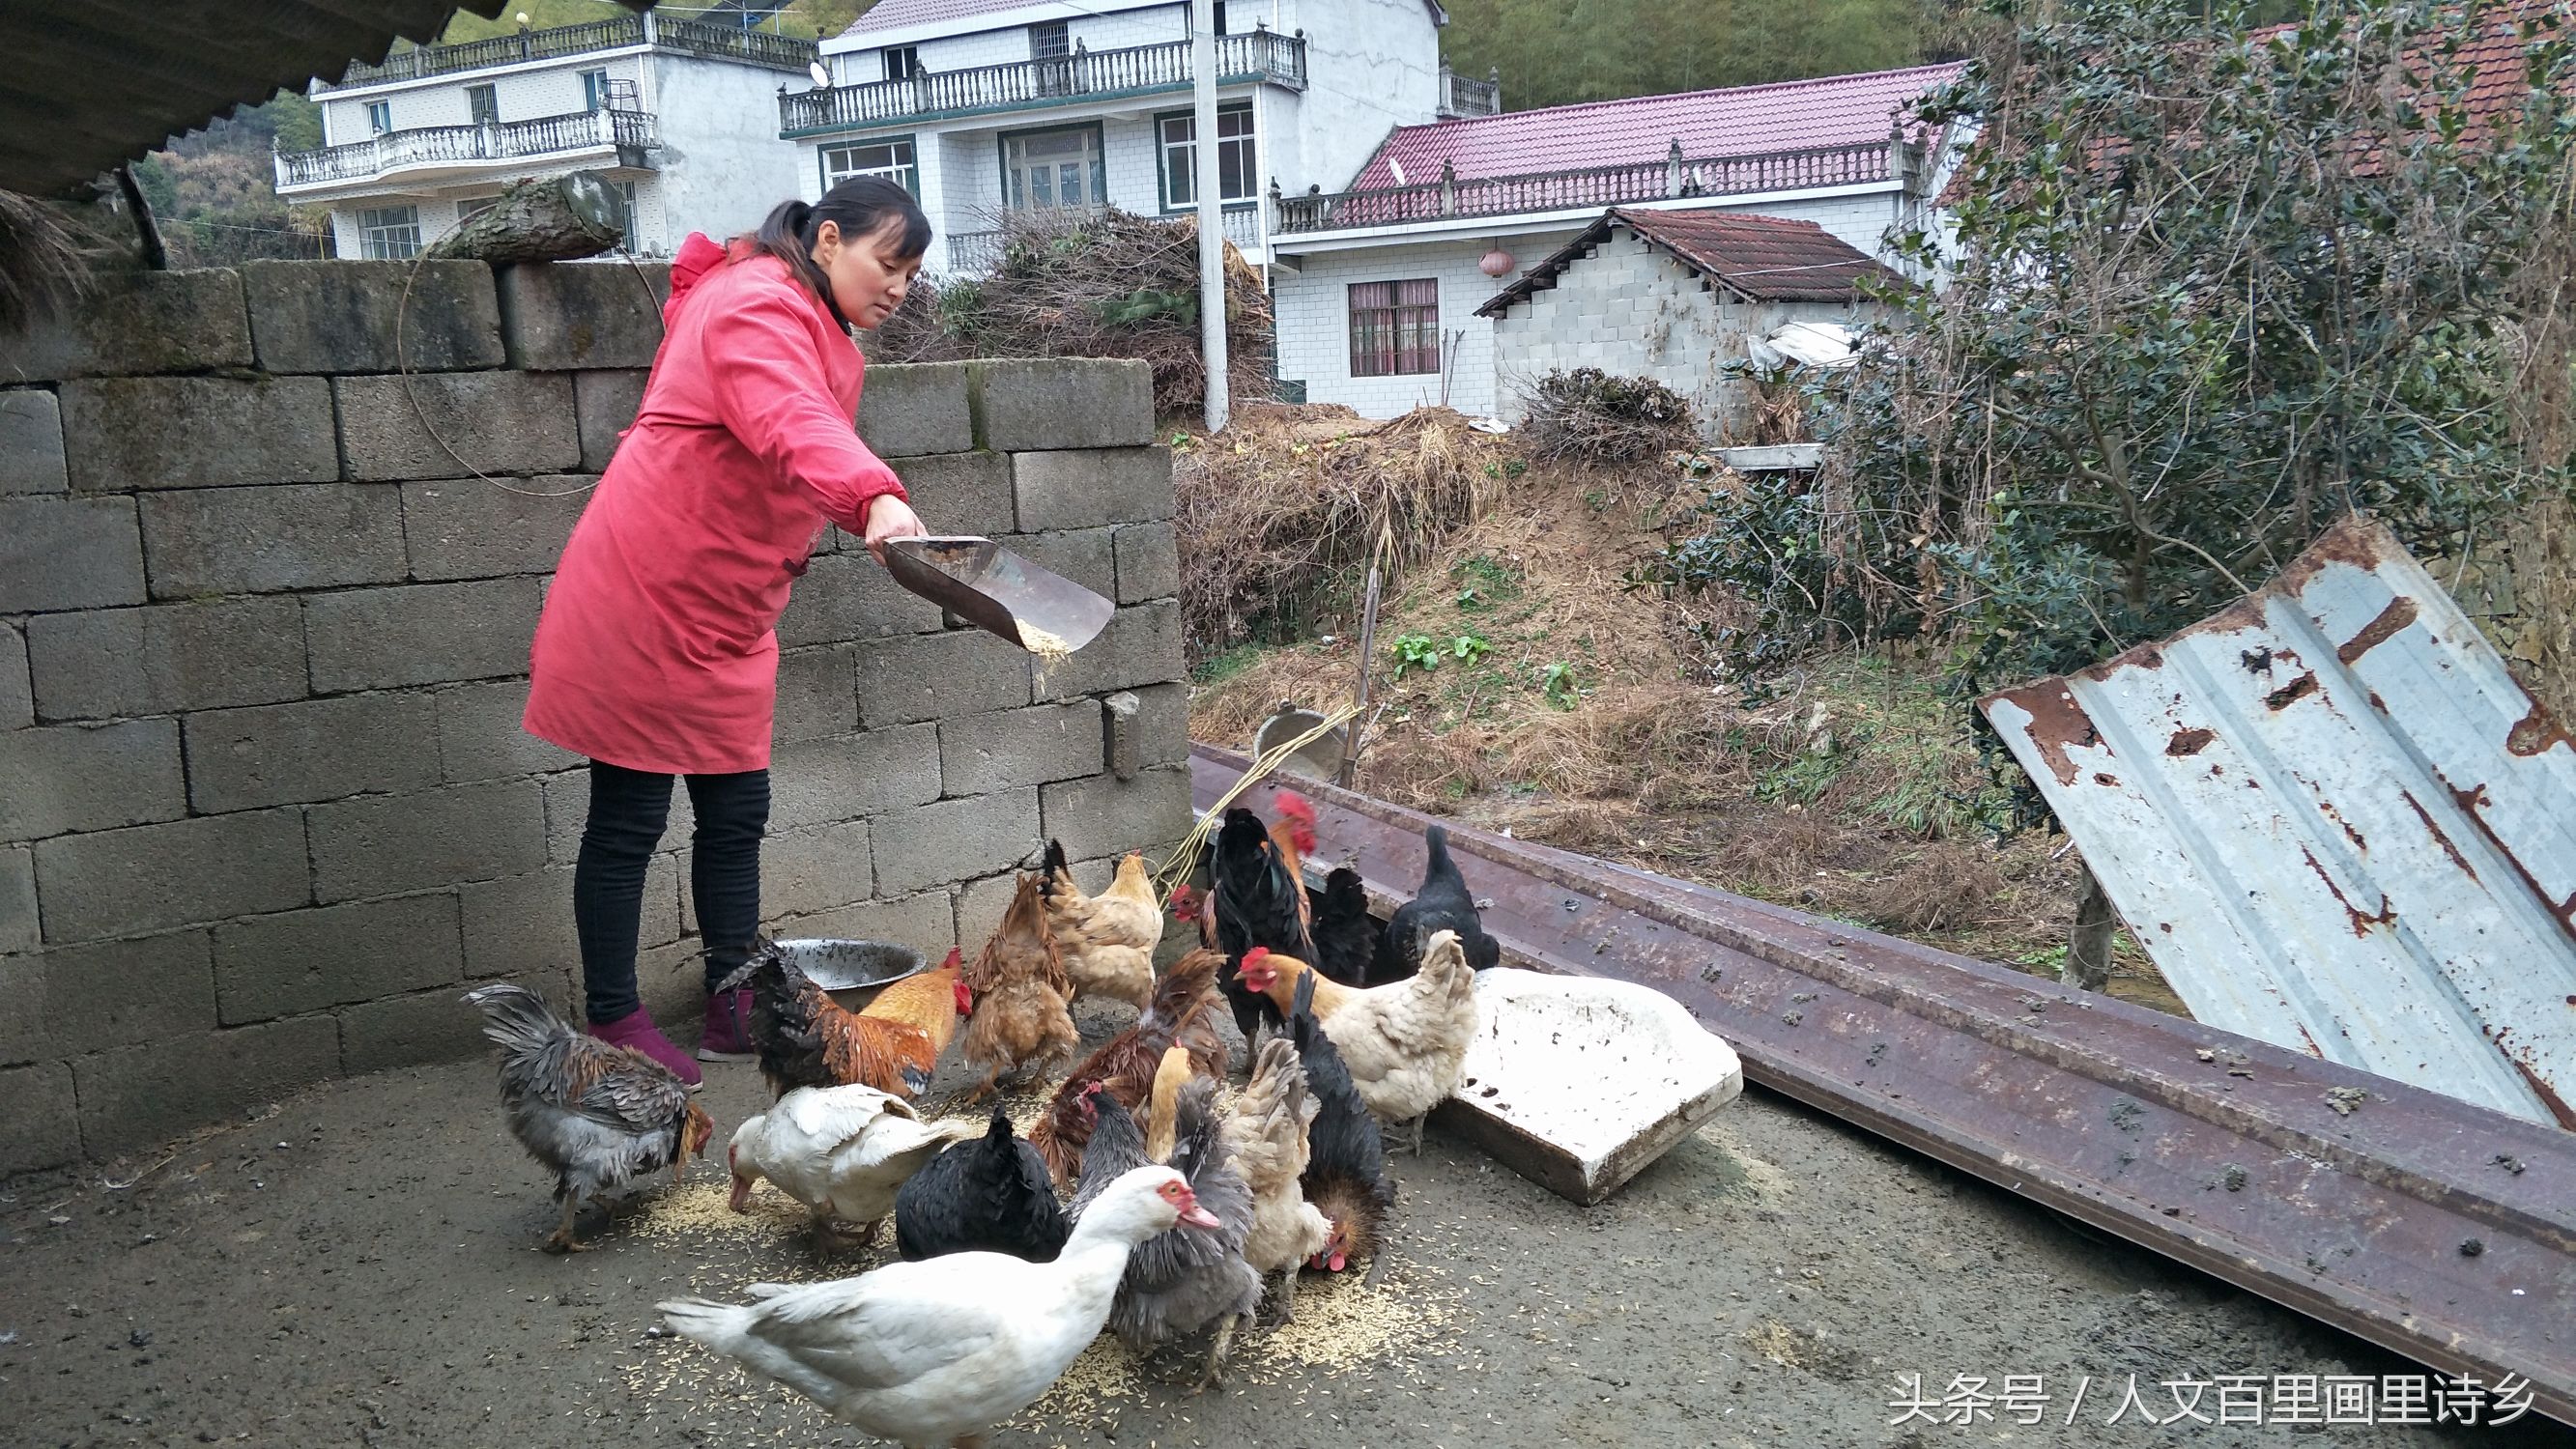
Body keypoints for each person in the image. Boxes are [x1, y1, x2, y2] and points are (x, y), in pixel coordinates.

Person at [522, 178, 931, 1084]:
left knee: (735, 809)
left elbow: (792, 436)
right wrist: (873, 494)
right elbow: (789, 416)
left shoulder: (804, 312)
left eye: (911, 272)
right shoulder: (754, 303)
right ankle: (615, 1018)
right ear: (828, 240)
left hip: (730, 606)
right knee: (629, 816)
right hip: (648, 588)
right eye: (888, 261)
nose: (899, 287)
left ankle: (731, 996)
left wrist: (860, 505)